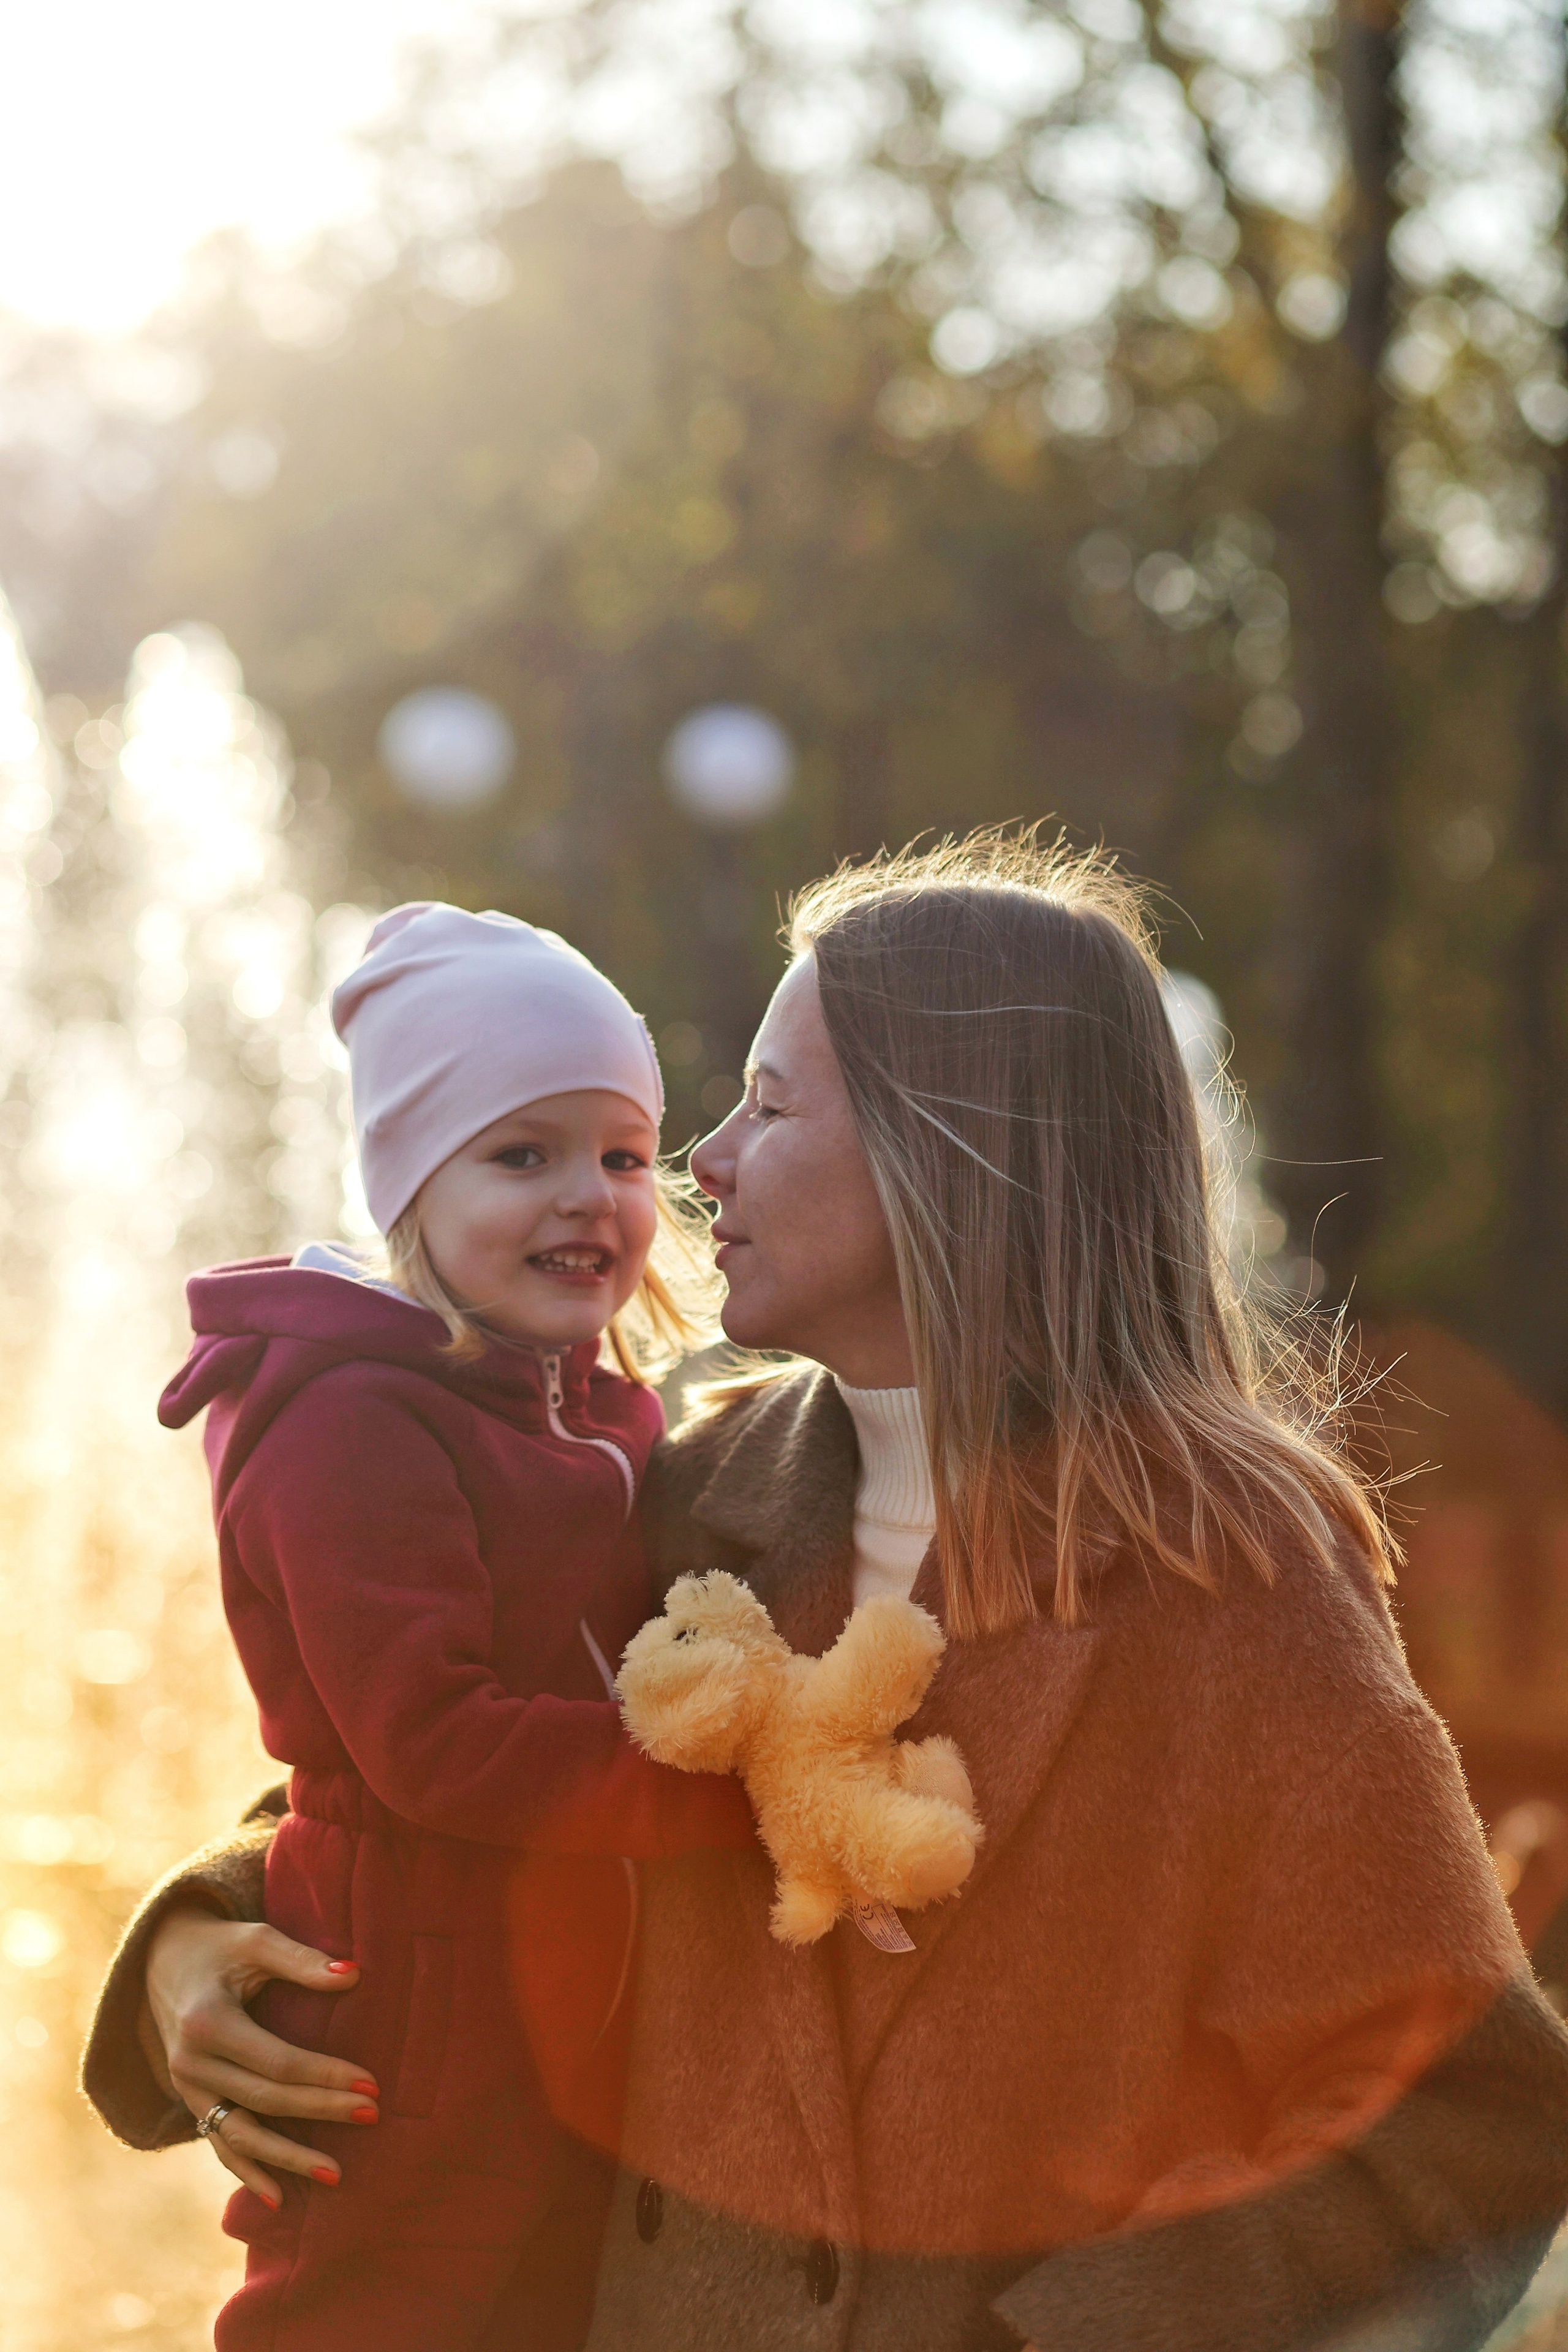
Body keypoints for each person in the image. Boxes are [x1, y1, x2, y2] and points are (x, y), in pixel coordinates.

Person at [85, 835, 1568, 2352]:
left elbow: (1466, 2123)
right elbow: (439, 1763)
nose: (700, 1160)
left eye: (769, 1106)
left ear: (948, 1149)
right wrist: (192, 1942)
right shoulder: (684, 1497)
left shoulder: (1229, 1582)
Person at [137, 902, 767, 2352]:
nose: (588, 1197)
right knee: (372, 2301)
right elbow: (430, 1738)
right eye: (519, 1154)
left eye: (618, 1155)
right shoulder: (350, 1419)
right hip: (407, 1993)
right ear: (410, 1184)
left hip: (541, 1978)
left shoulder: (584, 1403)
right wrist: (733, 1788)